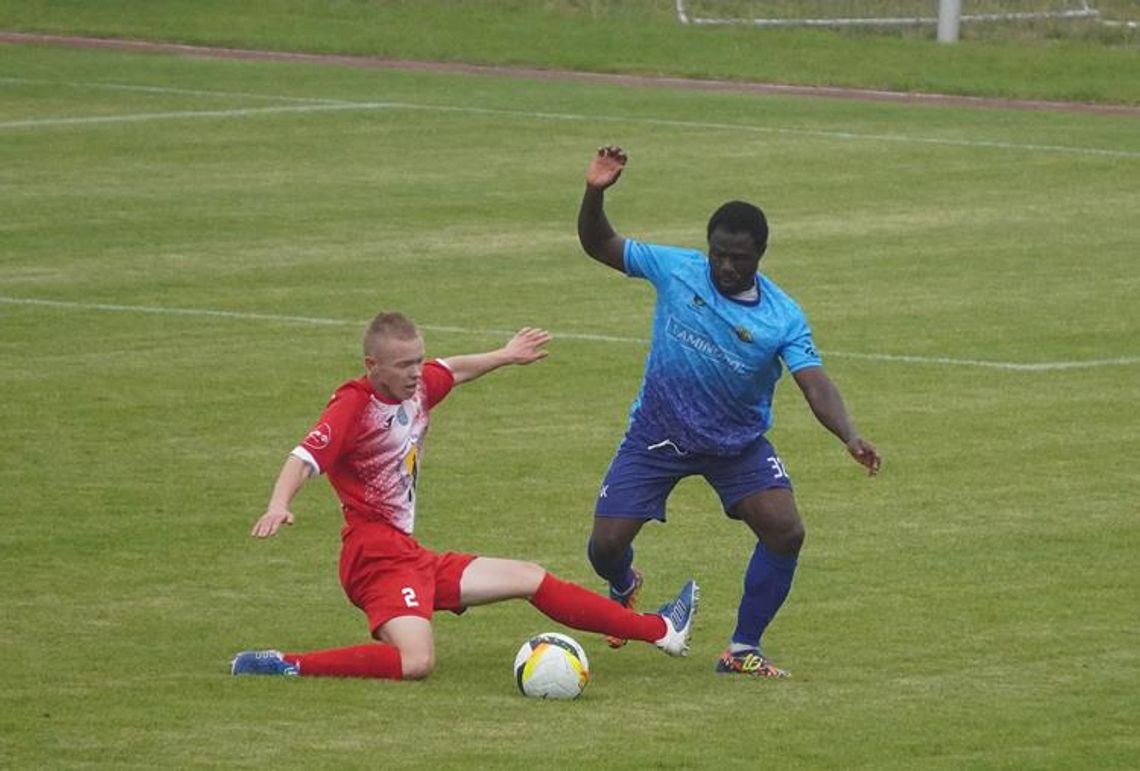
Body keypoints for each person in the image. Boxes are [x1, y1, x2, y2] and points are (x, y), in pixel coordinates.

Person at [231, 311, 698, 680]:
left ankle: (664, 631)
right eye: (403, 365)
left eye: (417, 360)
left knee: (530, 577)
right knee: (416, 663)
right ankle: (286, 663)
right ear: (372, 366)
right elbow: (303, 457)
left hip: (408, 555)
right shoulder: (354, 405)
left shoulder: (414, 389)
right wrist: (279, 503)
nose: (416, 373)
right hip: (375, 559)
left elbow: (450, 370)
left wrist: (506, 354)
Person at [576, 146, 881, 678]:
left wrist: (850, 436)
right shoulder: (678, 269)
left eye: (739, 257)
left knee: (786, 531)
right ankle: (624, 585)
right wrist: (595, 192)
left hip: (735, 445)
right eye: (718, 253)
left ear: (760, 254)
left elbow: (814, 385)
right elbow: (598, 244)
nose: (725, 266)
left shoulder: (782, 317)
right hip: (659, 432)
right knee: (603, 547)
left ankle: (741, 650)